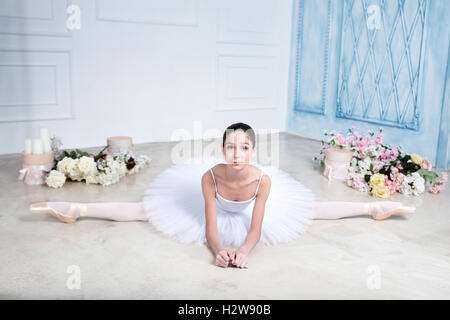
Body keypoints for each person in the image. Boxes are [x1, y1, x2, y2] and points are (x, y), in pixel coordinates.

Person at [29, 122, 416, 269]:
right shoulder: (208, 178)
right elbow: (211, 226)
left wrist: (245, 250)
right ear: (223, 150)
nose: (236, 154)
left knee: (311, 209)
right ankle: (74, 208)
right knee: (143, 210)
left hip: (252, 202)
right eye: (230, 147)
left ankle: (373, 207)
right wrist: (218, 250)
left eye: (243, 148)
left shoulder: (263, 181)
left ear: (253, 151)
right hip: (217, 201)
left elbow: (257, 228)